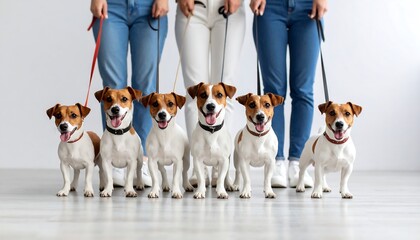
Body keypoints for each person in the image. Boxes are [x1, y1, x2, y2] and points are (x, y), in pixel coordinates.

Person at [90, 0, 169, 187]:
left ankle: (143, 158)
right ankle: (113, 159)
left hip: (149, 6)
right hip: (111, 6)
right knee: (112, 88)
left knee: (145, 88)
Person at [250, 0, 328, 187]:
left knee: (303, 90)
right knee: (273, 92)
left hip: (308, 6)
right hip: (269, 7)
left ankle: (298, 162)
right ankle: (276, 160)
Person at [175, 0, 246, 186]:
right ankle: (198, 169)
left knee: (224, 92)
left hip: (230, 8)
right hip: (192, 7)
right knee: (194, 93)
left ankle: (221, 170)